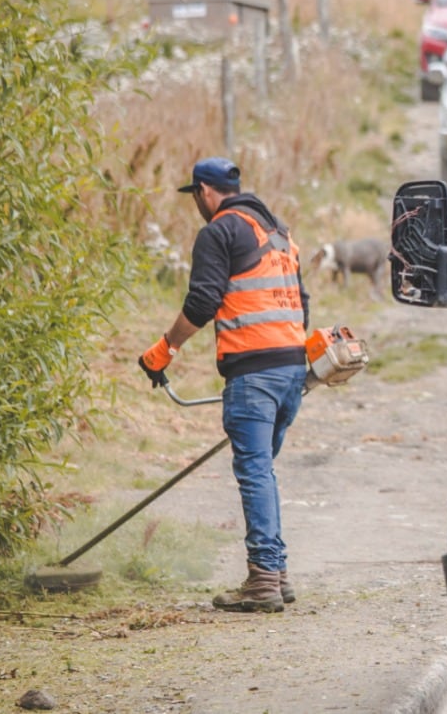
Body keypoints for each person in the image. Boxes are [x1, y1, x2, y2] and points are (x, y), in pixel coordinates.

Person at [139, 157, 310, 613]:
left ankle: (263, 582)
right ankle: (278, 573)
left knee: (255, 474)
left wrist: (164, 350)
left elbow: (202, 300)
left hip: (253, 374)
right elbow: (302, 301)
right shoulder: (279, 232)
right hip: (291, 370)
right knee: (262, 473)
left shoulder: (219, 231)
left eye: (194, 197)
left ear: (203, 191)